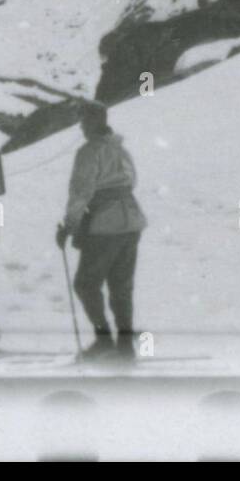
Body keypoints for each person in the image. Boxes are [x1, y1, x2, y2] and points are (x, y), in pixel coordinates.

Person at [56, 101, 147, 360]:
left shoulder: (88, 152)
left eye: (83, 120)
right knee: (121, 285)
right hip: (131, 220)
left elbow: (80, 192)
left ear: (93, 121)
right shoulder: (121, 149)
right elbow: (133, 181)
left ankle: (104, 340)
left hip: (105, 224)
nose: (82, 126)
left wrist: (68, 226)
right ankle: (125, 346)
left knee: (85, 283)